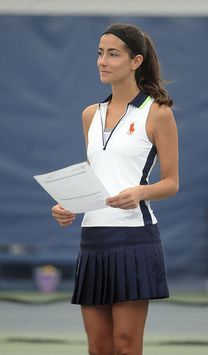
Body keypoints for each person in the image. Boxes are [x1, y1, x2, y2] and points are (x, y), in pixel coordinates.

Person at [52, 23, 179, 355]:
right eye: (99, 53)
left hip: (134, 239)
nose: (102, 61)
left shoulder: (158, 112)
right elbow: (98, 177)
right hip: (92, 240)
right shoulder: (89, 115)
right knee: (98, 348)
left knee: (125, 345)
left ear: (135, 61)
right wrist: (68, 205)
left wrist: (140, 192)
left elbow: (171, 183)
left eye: (112, 54)